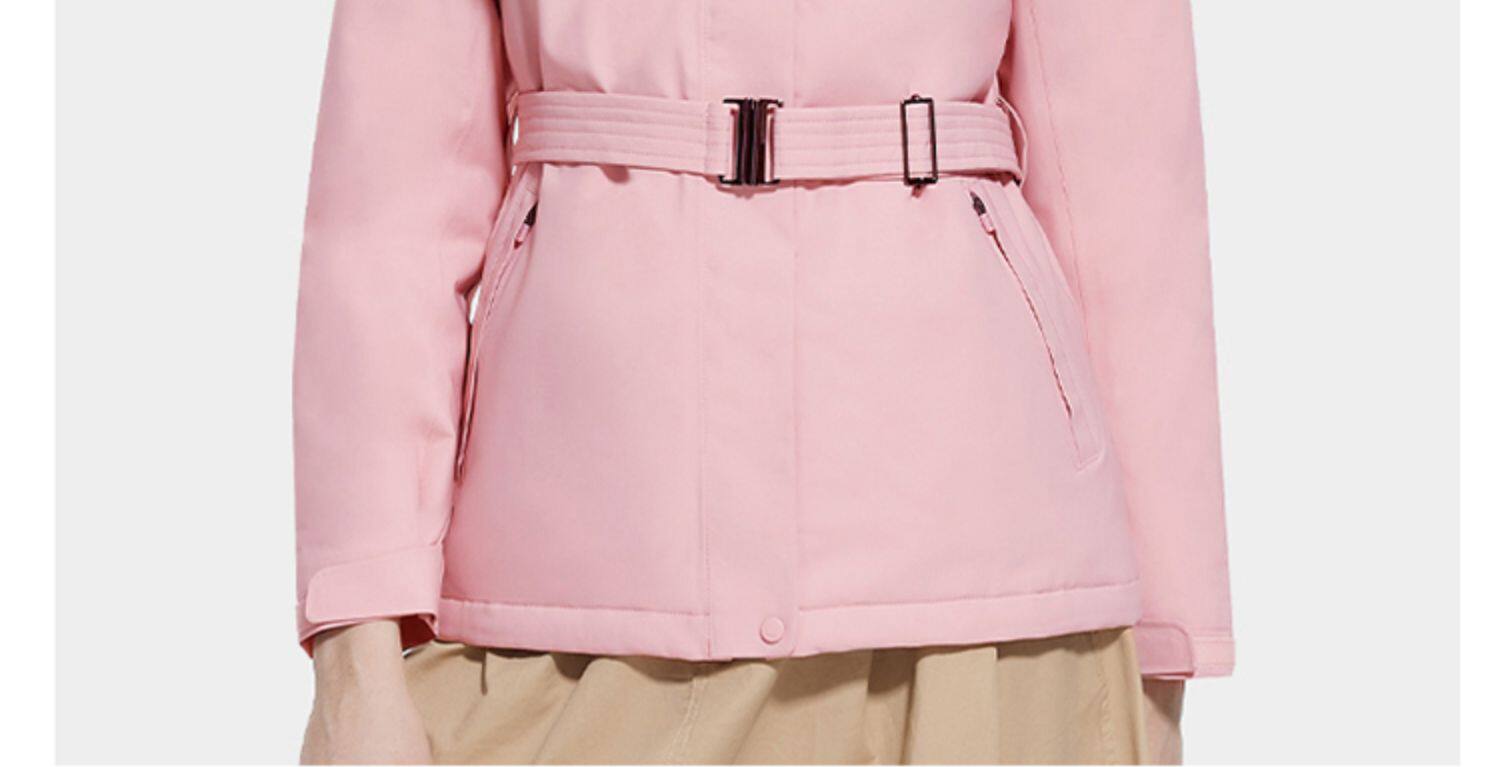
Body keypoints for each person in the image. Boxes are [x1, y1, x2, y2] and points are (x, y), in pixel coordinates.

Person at [294, 0, 1233, 763]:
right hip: (570, 585)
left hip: (994, 605)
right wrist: (355, 657)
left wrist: (1164, 652)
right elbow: (388, 220)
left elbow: (1129, 210)